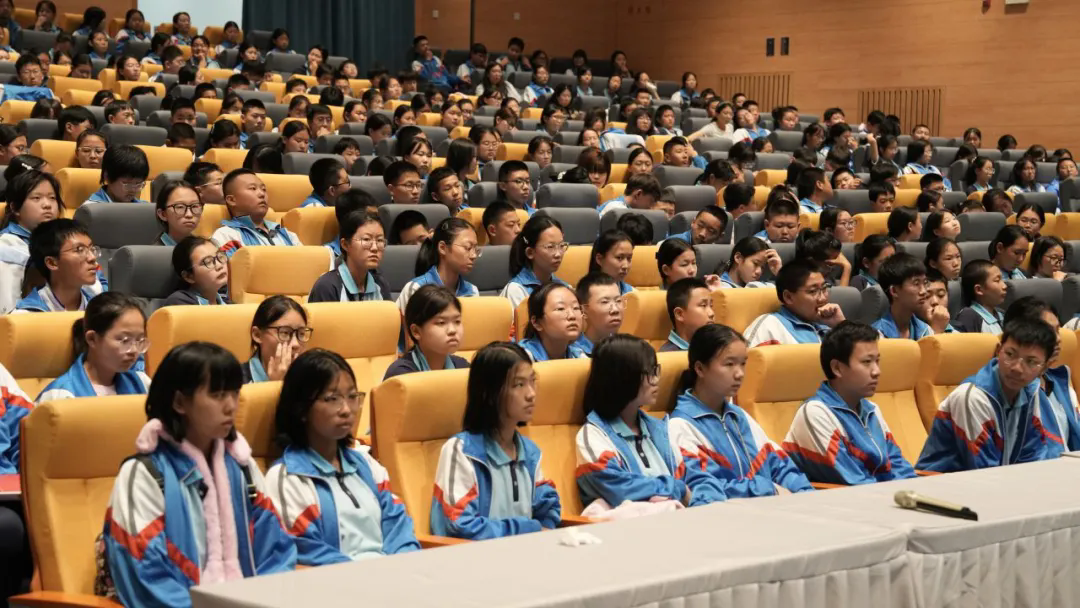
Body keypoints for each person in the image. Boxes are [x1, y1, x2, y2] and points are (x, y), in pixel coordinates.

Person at [103, 342, 296, 607]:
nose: (231, 406)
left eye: (235, 393)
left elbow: (277, 550)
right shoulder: (143, 474)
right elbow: (146, 577)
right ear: (179, 402)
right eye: (217, 395)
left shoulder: (241, 465)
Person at [266, 348, 419, 564]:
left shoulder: (366, 464)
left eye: (352, 397)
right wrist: (373, 577)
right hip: (340, 580)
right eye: (332, 399)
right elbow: (308, 551)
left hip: (392, 575)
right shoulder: (287, 478)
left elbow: (398, 527)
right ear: (301, 409)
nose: (346, 409)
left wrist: (406, 568)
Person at [670, 324, 813, 502]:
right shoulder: (680, 426)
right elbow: (706, 489)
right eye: (729, 364)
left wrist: (806, 495)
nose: (739, 374)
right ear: (700, 369)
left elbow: (779, 465)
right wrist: (767, 489)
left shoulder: (739, 416)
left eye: (743, 363)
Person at [430, 341, 560, 539]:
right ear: (489, 393)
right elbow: (459, 525)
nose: (531, 394)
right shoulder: (462, 451)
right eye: (519, 384)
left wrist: (542, 537)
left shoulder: (530, 452)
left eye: (532, 381)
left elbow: (548, 509)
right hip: (475, 556)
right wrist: (529, 530)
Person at [916, 318, 1059, 472]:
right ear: (998, 351)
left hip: (995, 480)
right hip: (941, 482)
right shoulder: (972, 398)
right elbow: (984, 471)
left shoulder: (1030, 391)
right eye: (1010, 354)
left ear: (1044, 368)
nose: (1017, 368)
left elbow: (1034, 456)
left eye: (1031, 362)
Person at [784, 321, 917, 484]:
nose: (877, 371)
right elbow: (854, 482)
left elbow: (898, 464)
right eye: (867, 362)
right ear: (837, 368)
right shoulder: (815, 414)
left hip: (881, 494)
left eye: (877, 361)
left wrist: (914, 490)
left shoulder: (872, 410)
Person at [576, 334, 690, 510]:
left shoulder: (660, 429)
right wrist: (676, 488)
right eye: (648, 373)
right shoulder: (593, 435)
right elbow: (619, 488)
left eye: (655, 370)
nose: (656, 380)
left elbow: (691, 477)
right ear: (622, 377)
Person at [37, 292, 151, 401]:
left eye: (139, 340)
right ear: (92, 339)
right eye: (124, 340)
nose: (134, 350)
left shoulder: (142, 383)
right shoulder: (60, 395)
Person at [1005, 297, 1080, 453]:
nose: (1058, 339)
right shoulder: (1011, 388)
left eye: (1058, 330)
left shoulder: (1060, 380)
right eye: (1048, 332)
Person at [0, 170, 62, 313]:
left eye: (52, 198)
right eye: (36, 198)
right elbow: (6, 313)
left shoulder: (70, 242)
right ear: (15, 208)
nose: (47, 205)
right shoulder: (5, 249)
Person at [745, 260, 845, 346]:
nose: (822, 298)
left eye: (824, 288)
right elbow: (745, 359)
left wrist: (841, 325)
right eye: (813, 291)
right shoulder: (769, 326)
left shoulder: (828, 328)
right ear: (788, 297)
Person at [15, 218, 103, 312]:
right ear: (52, 263)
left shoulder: (100, 311)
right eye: (79, 250)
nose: (92, 257)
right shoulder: (26, 315)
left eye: (91, 249)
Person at [396, 217, 479, 314]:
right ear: (442, 248)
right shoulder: (416, 288)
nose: (474, 255)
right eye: (468, 247)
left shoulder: (472, 291)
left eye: (475, 249)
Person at [212, 169, 300, 258]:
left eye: (264, 189)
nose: (262, 194)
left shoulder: (288, 235)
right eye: (253, 188)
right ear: (231, 200)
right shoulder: (226, 235)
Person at [385, 285, 469, 377]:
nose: (452, 330)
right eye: (441, 323)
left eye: (457, 321)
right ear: (416, 331)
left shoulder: (464, 367)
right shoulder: (401, 373)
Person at [309, 210, 392, 303]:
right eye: (366, 239)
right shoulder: (327, 286)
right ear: (345, 244)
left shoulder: (381, 284)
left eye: (379, 240)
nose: (374, 248)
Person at [500, 215, 567, 310]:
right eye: (550, 247)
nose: (558, 254)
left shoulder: (565, 287)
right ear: (530, 252)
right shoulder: (516, 290)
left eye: (561, 246)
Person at [871, 252, 944, 339]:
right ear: (894, 291)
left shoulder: (925, 329)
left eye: (925, 283)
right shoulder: (876, 335)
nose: (924, 291)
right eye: (916, 283)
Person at [244, 295, 311, 383]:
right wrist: (276, 385)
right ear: (257, 335)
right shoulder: (234, 382)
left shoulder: (314, 378)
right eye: (285, 333)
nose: (296, 344)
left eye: (301, 333)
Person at [519, 282, 587, 361]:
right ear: (536, 323)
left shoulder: (579, 356)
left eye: (576, 308)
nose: (572, 316)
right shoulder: (521, 358)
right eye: (560, 308)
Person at [163, 236, 229, 306]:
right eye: (208, 262)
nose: (219, 265)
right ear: (189, 276)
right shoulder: (179, 302)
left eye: (220, 257)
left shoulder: (228, 301)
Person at [572, 272, 623, 356]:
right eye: (605, 302)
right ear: (583, 309)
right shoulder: (573, 353)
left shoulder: (626, 348)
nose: (615, 309)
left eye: (618, 301)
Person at [953, 259, 1007, 334]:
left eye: (1002, 280)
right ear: (979, 289)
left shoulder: (1001, 314)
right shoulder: (969, 316)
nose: (1004, 286)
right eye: (997, 280)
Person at [661, 277, 714, 352]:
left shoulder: (716, 348)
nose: (712, 313)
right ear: (679, 314)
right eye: (703, 305)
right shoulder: (668, 356)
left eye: (711, 306)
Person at [84, 145, 149, 204]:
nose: (133, 190)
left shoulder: (146, 207)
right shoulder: (91, 208)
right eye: (127, 184)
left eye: (138, 184)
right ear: (107, 177)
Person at [155, 179, 203, 246]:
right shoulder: (155, 251)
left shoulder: (204, 248)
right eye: (180, 207)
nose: (189, 214)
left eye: (194, 206)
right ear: (163, 214)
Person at [590, 229, 635, 295]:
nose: (626, 266)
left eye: (629, 258)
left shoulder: (632, 294)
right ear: (599, 259)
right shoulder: (583, 295)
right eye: (619, 258)